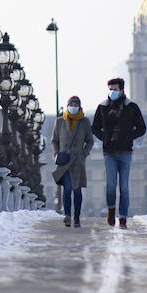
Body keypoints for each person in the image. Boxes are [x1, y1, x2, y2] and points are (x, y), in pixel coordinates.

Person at [92, 77, 147, 228]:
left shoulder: (131, 107)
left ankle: (122, 218)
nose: (112, 92)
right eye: (110, 89)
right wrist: (104, 138)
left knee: (124, 186)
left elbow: (142, 128)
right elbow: (94, 127)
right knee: (110, 185)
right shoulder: (103, 107)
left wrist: (129, 137)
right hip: (109, 152)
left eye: (114, 89)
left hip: (125, 152)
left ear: (122, 90)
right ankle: (111, 210)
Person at [51, 95, 93, 227]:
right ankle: (68, 216)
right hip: (64, 161)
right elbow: (54, 141)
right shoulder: (59, 121)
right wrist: (56, 154)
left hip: (77, 161)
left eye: (76, 105)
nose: (73, 107)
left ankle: (77, 218)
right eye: (71, 105)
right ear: (68, 106)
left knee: (77, 191)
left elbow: (90, 140)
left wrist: (84, 154)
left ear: (79, 107)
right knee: (67, 189)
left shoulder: (84, 121)